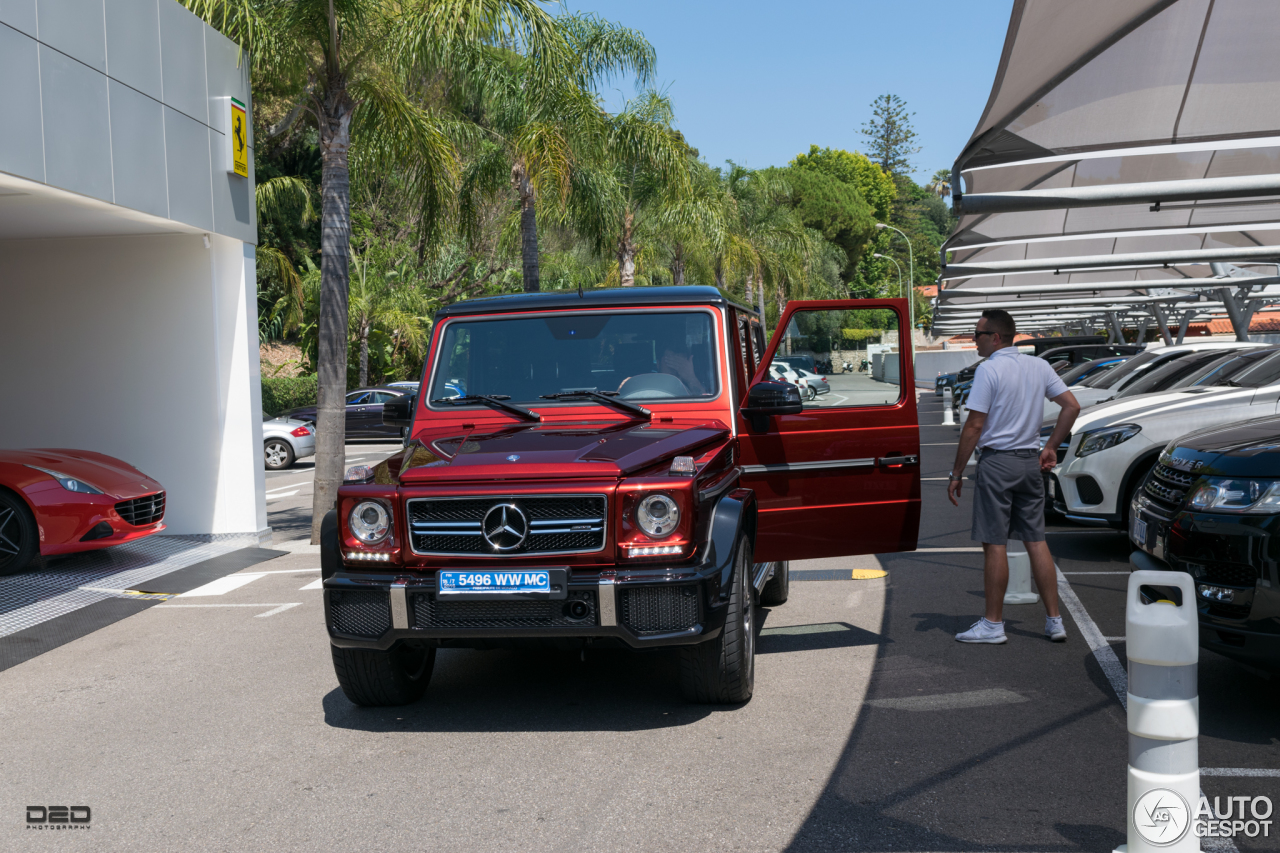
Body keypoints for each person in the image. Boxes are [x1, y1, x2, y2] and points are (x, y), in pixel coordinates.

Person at [946, 309, 1081, 644]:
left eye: (977, 334)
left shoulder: (989, 370)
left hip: (997, 463)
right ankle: (1054, 621)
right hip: (1028, 462)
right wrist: (1050, 446)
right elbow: (1071, 406)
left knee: (995, 543)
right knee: (1036, 541)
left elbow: (975, 425)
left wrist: (957, 472)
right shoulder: (1038, 366)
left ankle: (993, 624)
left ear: (995, 337)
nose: (974, 340)